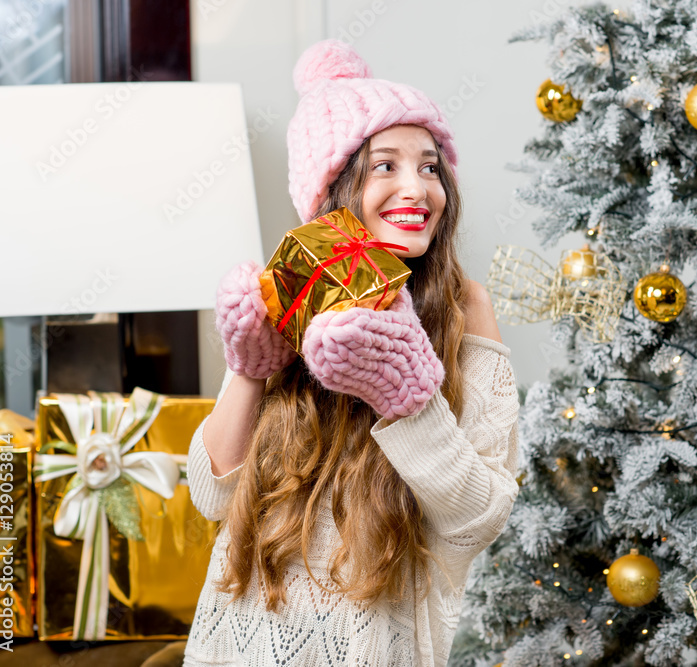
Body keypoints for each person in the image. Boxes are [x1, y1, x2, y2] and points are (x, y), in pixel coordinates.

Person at [183, 40, 520, 667]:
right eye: (384, 166)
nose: (417, 188)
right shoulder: (291, 294)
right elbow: (213, 498)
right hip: (241, 641)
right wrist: (250, 372)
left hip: (376, 646)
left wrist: (409, 399)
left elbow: (479, 520)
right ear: (333, 191)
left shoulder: (463, 304)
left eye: (430, 166)